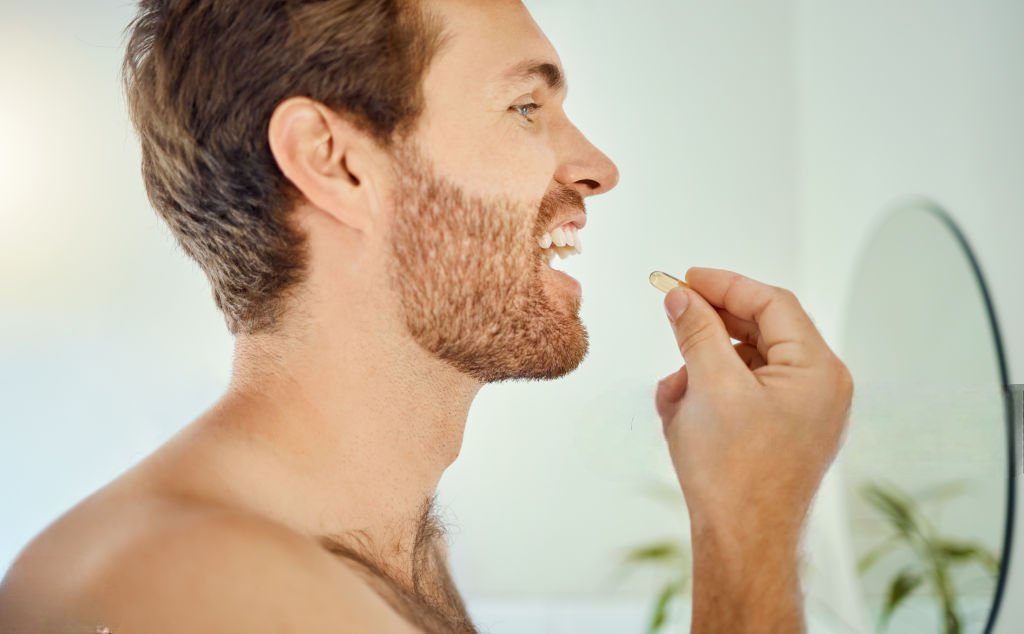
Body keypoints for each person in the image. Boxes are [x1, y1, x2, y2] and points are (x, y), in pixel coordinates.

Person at [0, 0, 853, 632]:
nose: (597, 167)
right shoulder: (203, 592)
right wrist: (751, 521)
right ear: (334, 163)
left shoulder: (375, 549)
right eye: (527, 107)